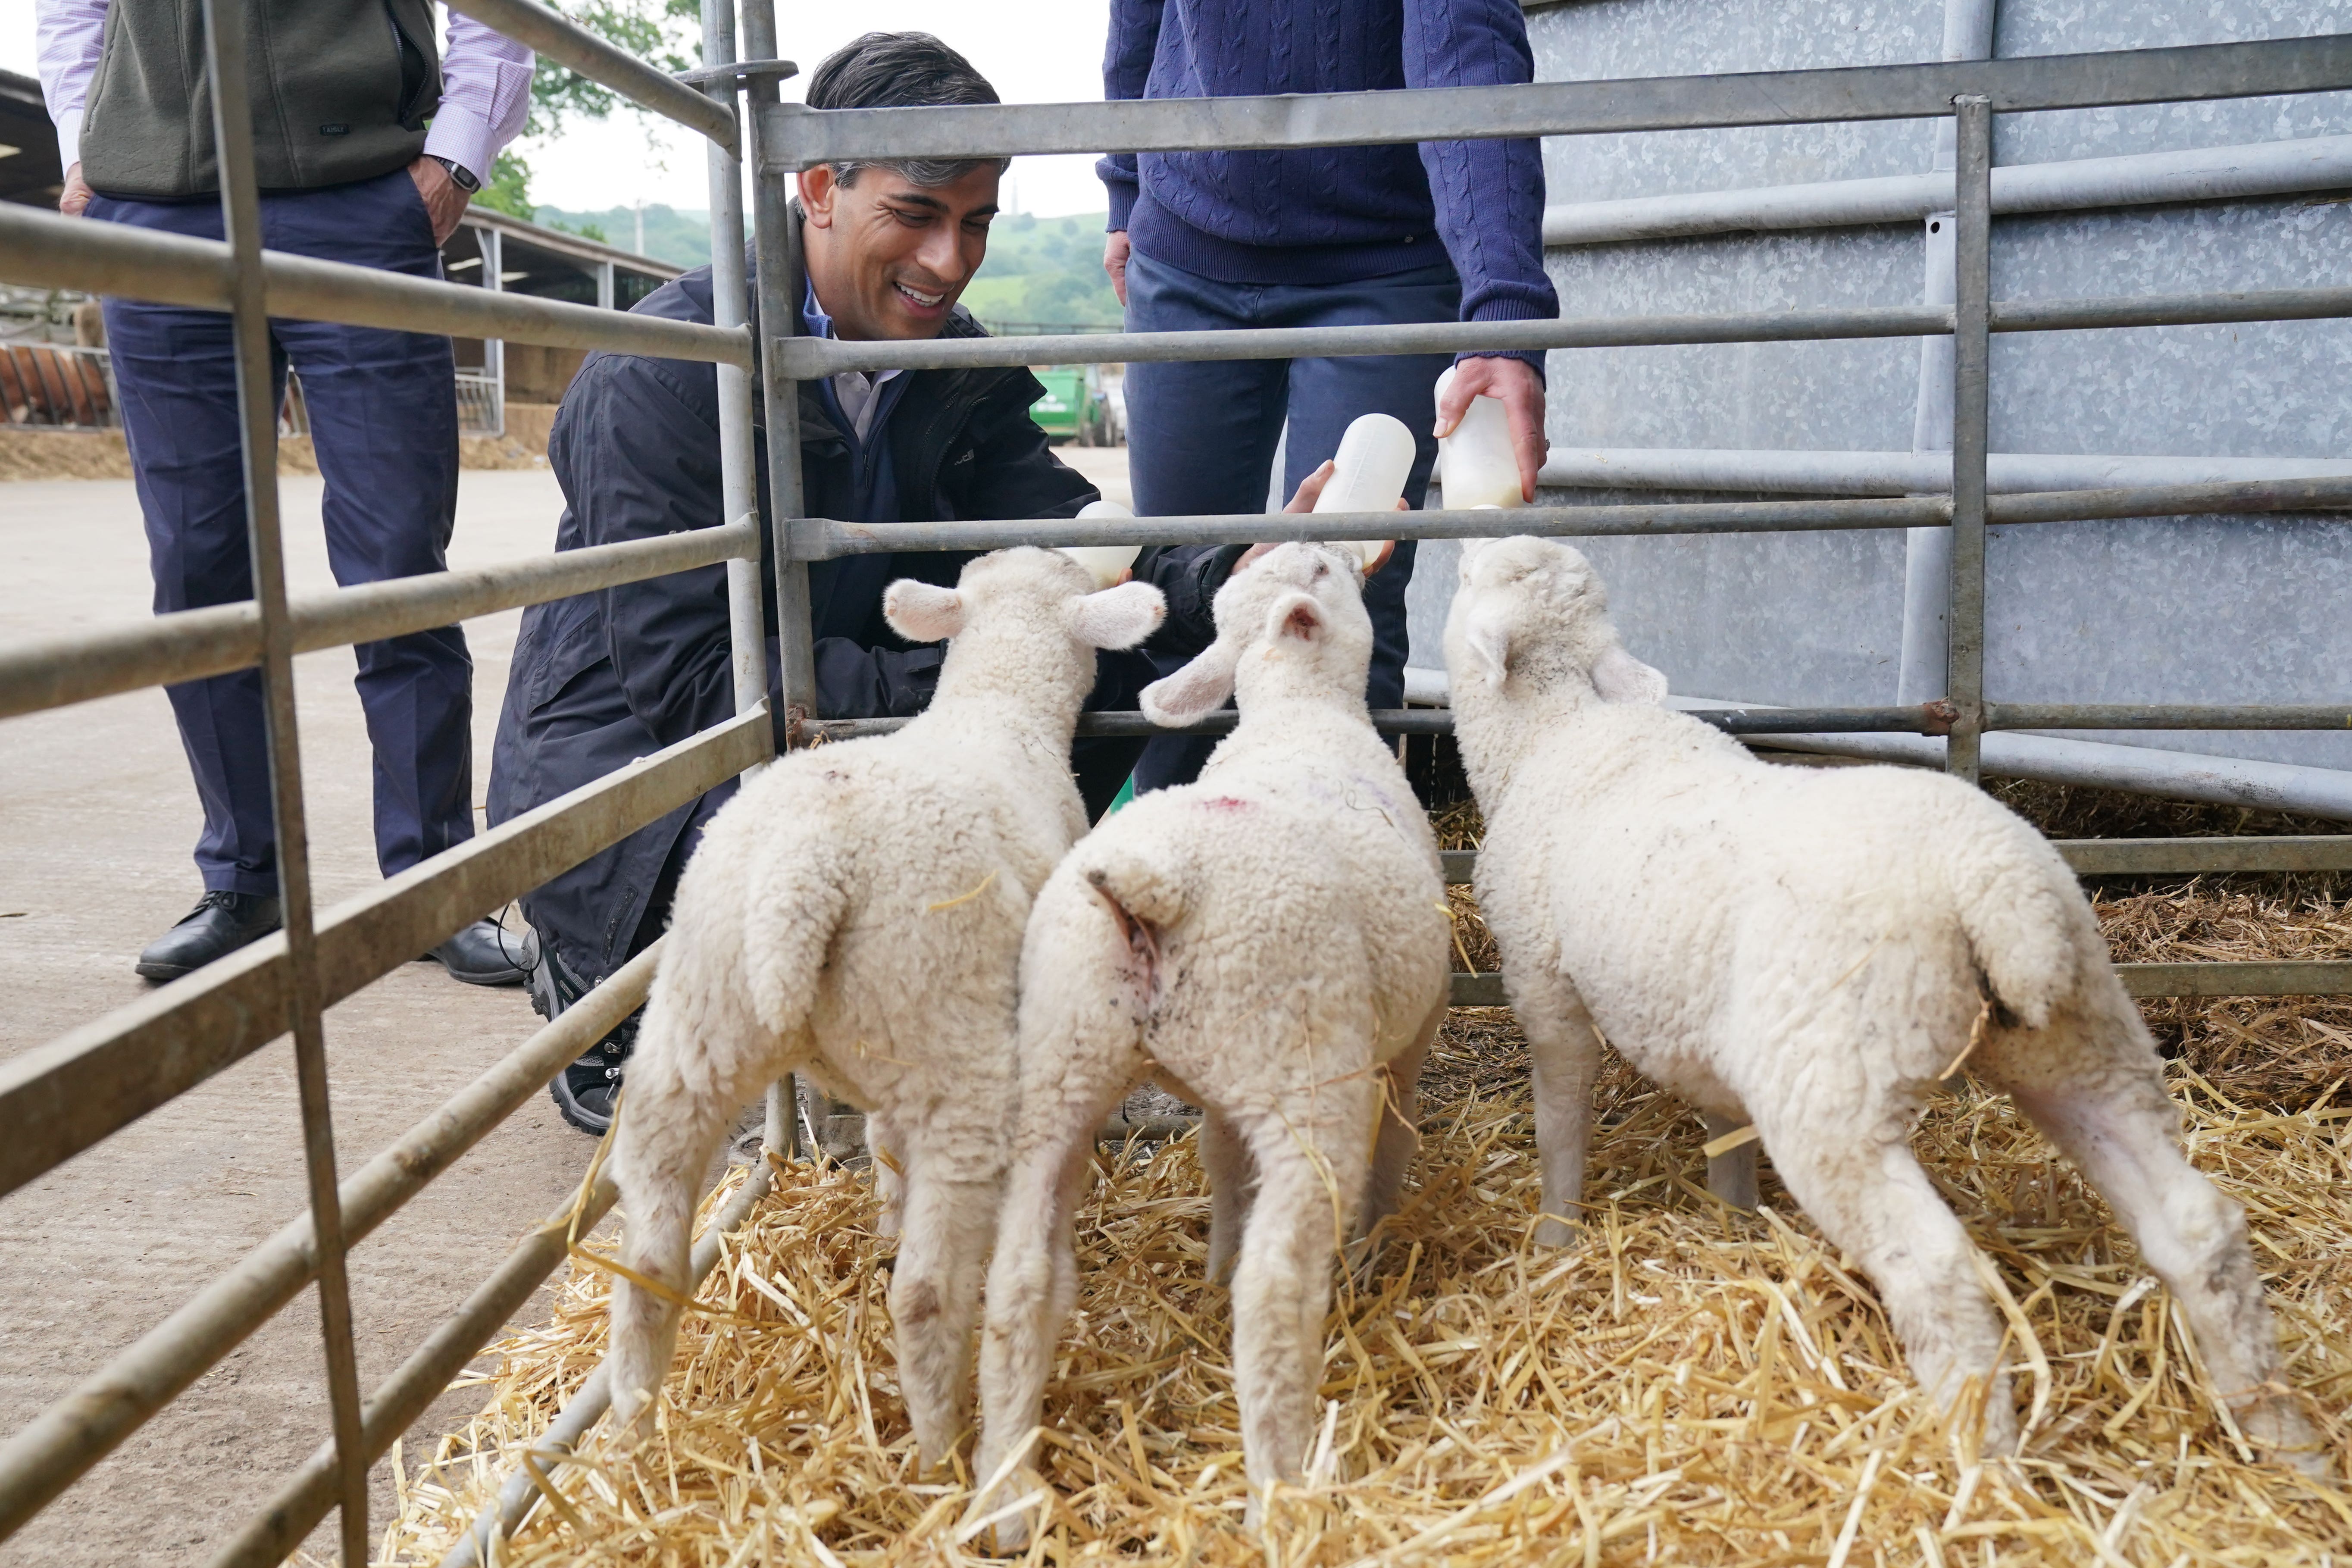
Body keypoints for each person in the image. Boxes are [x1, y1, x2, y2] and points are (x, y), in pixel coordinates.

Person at [488, 33, 1243, 1136]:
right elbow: (699, 686)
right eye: (917, 213)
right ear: (818, 189)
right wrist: (973, 686)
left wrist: (1230, 568)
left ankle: (955, 957)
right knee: (761, 822)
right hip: (646, 770)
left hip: (865, 710)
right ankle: (609, 983)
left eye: (977, 222)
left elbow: (1071, 524)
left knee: (1125, 632)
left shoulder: (948, 362)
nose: (951, 260)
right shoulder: (665, 375)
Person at [37, 0, 535, 984]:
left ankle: (431, 881)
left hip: (354, 196)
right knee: (196, 567)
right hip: (156, 201)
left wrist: (455, 159)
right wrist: (87, 147)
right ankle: (243, 879)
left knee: (395, 560)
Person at [1100, 0, 1558, 792]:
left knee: (1344, 593)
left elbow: (1466, 46)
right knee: (1183, 586)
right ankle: (1170, 870)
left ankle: (1342, 862)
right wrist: (1123, 187)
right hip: (1186, 242)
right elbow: (1138, 16)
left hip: (1384, 256)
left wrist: (1502, 308)